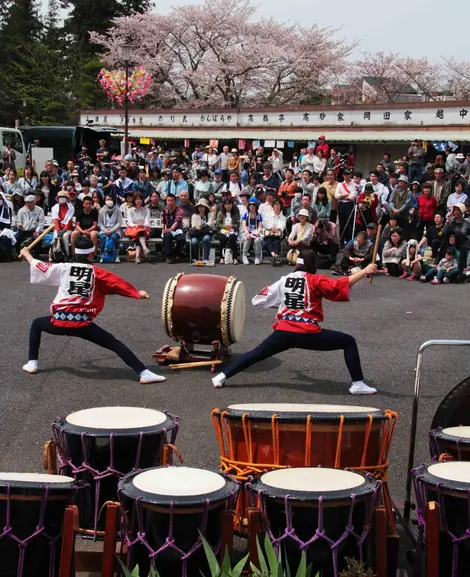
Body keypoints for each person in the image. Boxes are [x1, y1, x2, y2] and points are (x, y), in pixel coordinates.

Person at [212, 249, 377, 395]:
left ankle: (221, 377)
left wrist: (285, 305)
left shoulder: (284, 280)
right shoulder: (315, 279)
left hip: (283, 332)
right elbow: (340, 284)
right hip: (308, 333)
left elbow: (259, 300)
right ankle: (358, 384)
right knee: (348, 342)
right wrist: (364, 271)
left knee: (254, 355)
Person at [20, 236, 164, 384]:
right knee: (114, 344)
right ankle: (144, 373)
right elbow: (117, 285)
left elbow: (40, 266)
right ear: (91, 254)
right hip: (82, 323)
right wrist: (136, 293)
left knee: (37, 324)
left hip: (59, 320)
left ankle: (32, 363)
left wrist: (26, 253)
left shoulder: (63, 268)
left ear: (75, 252)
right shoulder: (98, 273)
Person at [98, 194, 122, 263]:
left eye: (110, 199)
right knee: (102, 237)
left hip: (115, 230)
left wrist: (111, 231)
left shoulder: (117, 210)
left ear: (113, 200)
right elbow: (100, 223)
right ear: (104, 201)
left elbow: (119, 223)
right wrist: (105, 230)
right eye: (107, 200)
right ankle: (102, 255)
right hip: (104, 230)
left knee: (114, 237)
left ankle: (117, 256)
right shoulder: (102, 210)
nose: (109, 201)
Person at [216, 196, 240, 264]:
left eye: (229, 204)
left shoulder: (235, 214)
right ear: (224, 205)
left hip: (232, 230)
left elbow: (237, 224)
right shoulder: (220, 213)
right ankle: (221, 257)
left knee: (233, 238)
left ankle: (235, 258)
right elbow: (218, 224)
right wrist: (224, 226)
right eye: (226, 204)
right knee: (222, 239)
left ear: (232, 205)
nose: (228, 206)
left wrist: (231, 226)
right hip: (223, 230)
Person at [162, 193, 185, 264]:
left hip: (177, 230)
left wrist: (170, 229)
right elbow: (163, 222)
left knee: (181, 239)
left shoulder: (180, 211)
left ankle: (174, 253)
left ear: (175, 202)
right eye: (168, 200)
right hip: (168, 229)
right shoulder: (164, 211)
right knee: (167, 235)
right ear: (166, 201)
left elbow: (177, 222)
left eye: (171, 201)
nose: (170, 202)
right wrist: (164, 229)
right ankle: (169, 257)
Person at [263, 198, 286, 266]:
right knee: (268, 239)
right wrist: (271, 228)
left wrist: (278, 228)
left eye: (278, 204)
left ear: (281, 206)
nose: (277, 206)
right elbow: (265, 223)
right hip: (269, 233)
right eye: (275, 204)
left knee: (277, 241)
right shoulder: (268, 215)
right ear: (273, 206)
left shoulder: (283, 217)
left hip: (278, 234)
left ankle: (274, 256)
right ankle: (275, 255)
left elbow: (283, 225)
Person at [241, 197, 263, 265]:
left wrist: (257, 233)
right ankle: (244, 256)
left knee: (256, 240)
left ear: (256, 205)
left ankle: (257, 256)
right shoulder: (246, 214)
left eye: (253, 205)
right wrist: (247, 232)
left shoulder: (259, 215)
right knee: (248, 238)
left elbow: (259, 226)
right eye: (250, 204)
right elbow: (244, 226)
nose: (251, 206)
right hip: (246, 232)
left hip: (256, 232)